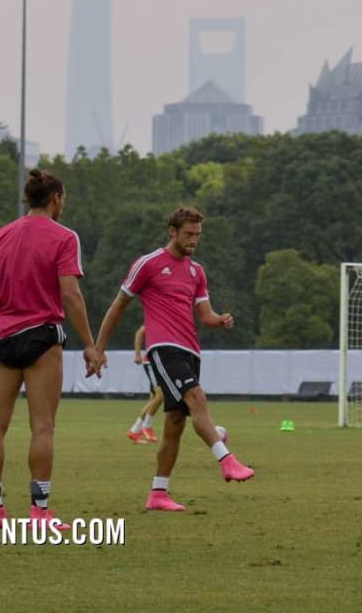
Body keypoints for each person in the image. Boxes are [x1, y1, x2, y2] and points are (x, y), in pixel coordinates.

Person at [0, 169, 105, 527]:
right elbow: (71, 294)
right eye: (64, 200)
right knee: (42, 427)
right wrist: (90, 344)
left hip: (5, 339)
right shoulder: (64, 237)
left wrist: (8, 310)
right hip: (42, 337)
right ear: (56, 199)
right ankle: (39, 512)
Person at [96, 206, 254, 511]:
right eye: (188, 234)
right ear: (172, 232)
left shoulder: (197, 272)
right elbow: (119, 304)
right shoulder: (149, 264)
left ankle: (158, 493)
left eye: (198, 235)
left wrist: (220, 320)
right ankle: (227, 460)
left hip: (190, 350)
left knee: (175, 422)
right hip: (163, 348)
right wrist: (99, 346)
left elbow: (204, 315)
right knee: (197, 397)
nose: (194, 240)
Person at [127, 324, 163, 444]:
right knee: (161, 394)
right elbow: (140, 332)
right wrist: (137, 354)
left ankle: (135, 430)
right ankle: (146, 426)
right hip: (152, 363)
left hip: (162, 363)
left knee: (154, 399)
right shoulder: (158, 317)